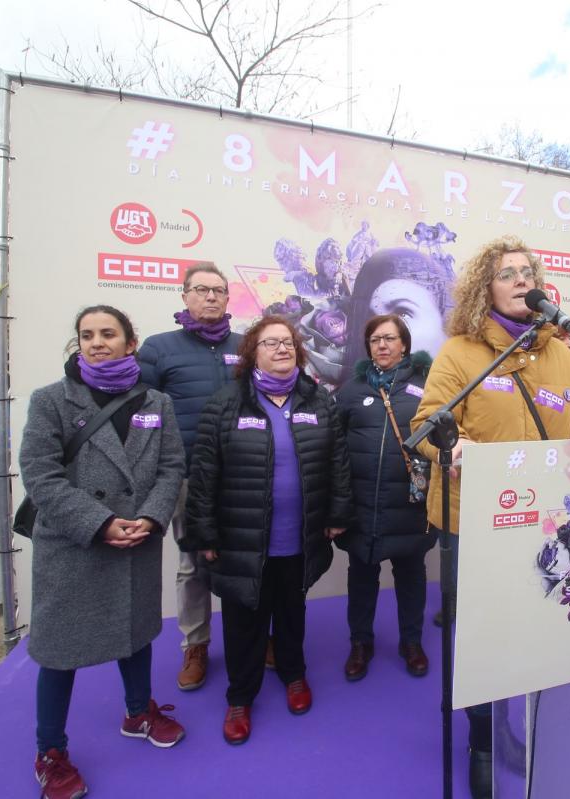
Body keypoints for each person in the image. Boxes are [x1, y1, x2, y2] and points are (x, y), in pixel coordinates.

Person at [410, 235, 570, 799]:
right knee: (482, 636)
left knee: (538, 627)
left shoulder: (559, 350)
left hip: (551, 521)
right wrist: (451, 448)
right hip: (478, 522)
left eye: (529, 271)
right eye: (509, 274)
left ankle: (530, 723)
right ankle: (482, 737)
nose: (523, 279)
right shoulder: (460, 351)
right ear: (486, 287)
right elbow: (427, 423)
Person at [19, 305, 186, 799]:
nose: (96, 342)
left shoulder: (156, 401)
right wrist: (99, 523)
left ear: (129, 342)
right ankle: (50, 751)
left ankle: (138, 713)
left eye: (107, 333)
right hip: (75, 545)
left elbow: (172, 466)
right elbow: (40, 476)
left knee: (135, 634)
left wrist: (151, 518)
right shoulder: (50, 400)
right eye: (86, 334)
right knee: (60, 652)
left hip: (136, 537)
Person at [182, 315, 352, 745]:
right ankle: (240, 697)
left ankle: (294, 676)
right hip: (242, 538)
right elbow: (203, 475)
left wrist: (336, 513)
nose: (282, 349)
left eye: (288, 343)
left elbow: (338, 464)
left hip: (300, 535)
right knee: (244, 620)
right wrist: (205, 533)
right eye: (270, 343)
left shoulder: (317, 401)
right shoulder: (226, 403)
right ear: (251, 352)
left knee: (292, 612)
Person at [137, 262, 241, 692]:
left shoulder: (247, 345)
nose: (211, 297)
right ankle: (195, 644)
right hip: (188, 474)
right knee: (193, 563)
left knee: (251, 558)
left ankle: (257, 635)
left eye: (219, 290)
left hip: (244, 473)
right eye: (202, 290)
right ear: (185, 296)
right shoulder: (159, 348)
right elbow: (141, 413)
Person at [335, 314, 434, 681]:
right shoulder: (351, 390)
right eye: (375, 339)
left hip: (410, 506)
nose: (382, 345)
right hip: (362, 507)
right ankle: (360, 643)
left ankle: (412, 642)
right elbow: (335, 447)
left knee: (411, 577)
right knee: (361, 577)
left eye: (390, 338)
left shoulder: (429, 386)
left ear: (404, 344)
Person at [338, 247, 455, 385]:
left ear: (443, 317)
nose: (382, 335)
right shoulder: (355, 395)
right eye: (371, 319)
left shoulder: (462, 392)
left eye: (402, 313)